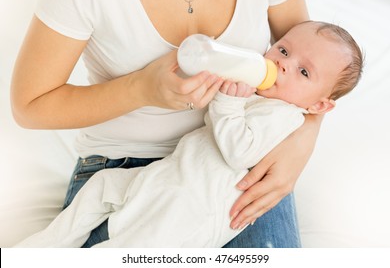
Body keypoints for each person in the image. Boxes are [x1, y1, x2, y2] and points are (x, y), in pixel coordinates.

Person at [14, 21, 363, 248]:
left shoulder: (283, 115)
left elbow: (240, 152)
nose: (283, 64)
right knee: (101, 187)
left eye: (303, 71)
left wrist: (227, 102)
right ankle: (45, 246)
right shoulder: (258, 89)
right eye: (283, 50)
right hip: (170, 175)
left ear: (318, 106)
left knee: (132, 248)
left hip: (193, 211)